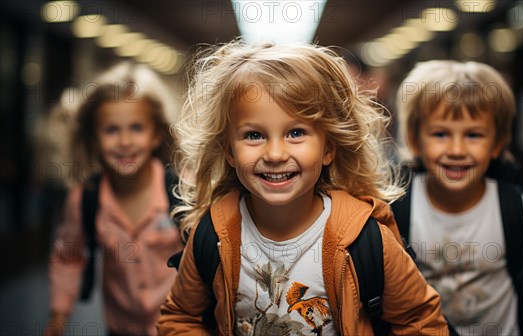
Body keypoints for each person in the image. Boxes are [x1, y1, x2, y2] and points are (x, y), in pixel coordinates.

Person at [158, 40, 448, 335]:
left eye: (296, 133)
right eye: (254, 135)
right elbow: (180, 317)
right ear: (229, 151)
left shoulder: (366, 238)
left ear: (328, 148)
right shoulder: (212, 234)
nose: (274, 154)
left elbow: (420, 320)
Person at [395, 60, 523, 335]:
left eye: (474, 135)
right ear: (415, 140)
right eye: (440, 134)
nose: (457, 149)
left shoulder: (516, 210)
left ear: (497, 143)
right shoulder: (399, 210)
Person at [46, 62, 181, 336]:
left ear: (157, 135)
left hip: (178, 327)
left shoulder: (180, 192)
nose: (124, 141)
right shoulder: (86, 199)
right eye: (111, 130)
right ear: (94, 138)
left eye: (137, 128)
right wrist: (58, 316)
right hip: (120, 329)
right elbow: (68, 256)